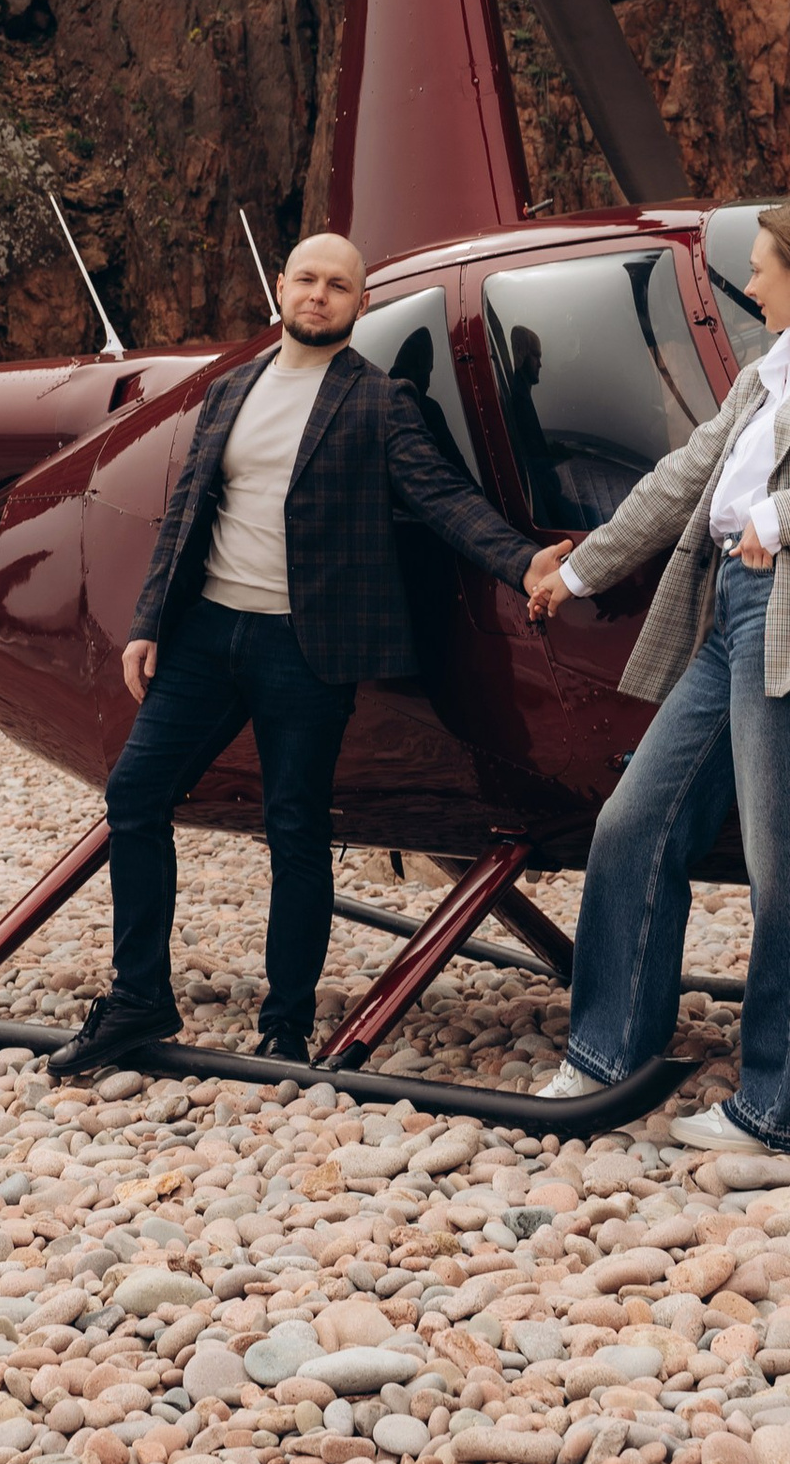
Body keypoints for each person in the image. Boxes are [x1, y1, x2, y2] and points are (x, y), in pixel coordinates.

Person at [522, 197, 790, 1158]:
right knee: (633, 821)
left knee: (786, 866)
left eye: (762, 266)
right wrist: (582, 568)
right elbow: (682, 481)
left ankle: (786, 1114)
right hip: (730, 616)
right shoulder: (766, 376)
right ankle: (604, 1058)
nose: (750, 282)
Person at [50, 231, 543, 1077]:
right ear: (280, 288)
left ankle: (285, 1025)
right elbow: (187, 513)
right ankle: (139, 1002)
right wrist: (149, 622)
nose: (318, 295)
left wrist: (524, 560)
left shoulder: (379, 402)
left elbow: (441, 498)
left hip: (306, 647)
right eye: (306, 280)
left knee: (297, 828)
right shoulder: (233, 390)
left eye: (338, 286)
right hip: (206, 632)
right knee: (135, 794)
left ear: (360, 305)